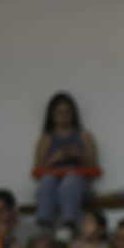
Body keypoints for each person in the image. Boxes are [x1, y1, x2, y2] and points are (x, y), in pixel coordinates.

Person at [33, 92, 99, 233]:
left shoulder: (84, 136)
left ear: (73, 114)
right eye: (59, 112)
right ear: (52, 115)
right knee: (47, 182)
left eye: (67, 112)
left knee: (70, 182)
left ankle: (69, 225)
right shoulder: (46, 139)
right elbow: (38, 170)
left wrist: (79, 155)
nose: (63, 116)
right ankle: (44, 224)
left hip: (78, 182)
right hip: (53, 182)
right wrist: (54, 159)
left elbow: (93, 166)